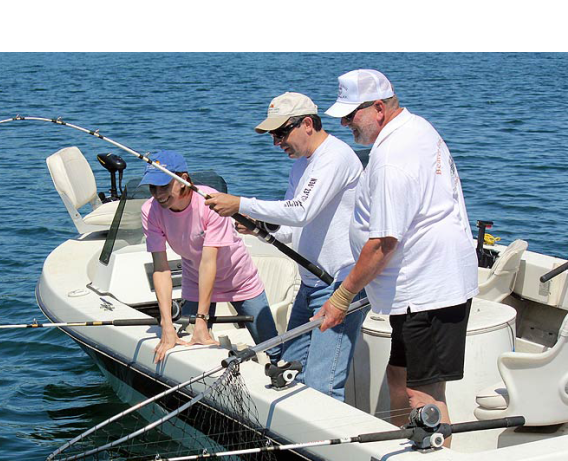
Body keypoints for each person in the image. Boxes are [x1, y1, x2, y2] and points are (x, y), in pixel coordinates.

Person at [315, 69, 478, 434]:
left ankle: (430, 460)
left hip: (429, 291)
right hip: (414, 291)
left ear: (377, 108)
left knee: (423, 395)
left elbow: (383, 243)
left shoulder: (392, 157)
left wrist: (342, 297)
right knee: (398, 377)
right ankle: (401, 449)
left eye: (349, 115)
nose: (343, 123)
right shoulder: (415, 127)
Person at [205, 92, 365, 402]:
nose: (277, 142)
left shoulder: (335, 157)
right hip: (309, 286)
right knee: (287, 372)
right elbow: (293, 228)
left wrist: (240, 203)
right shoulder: (300, 166)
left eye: (281, 132)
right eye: (273, 136)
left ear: (307, 123)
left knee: (322, 386)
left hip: (337, 285)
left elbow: (300, 210)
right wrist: (260, 227)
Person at [140, 150, 278, 364]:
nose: (158, 195)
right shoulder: (150, 210)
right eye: (153, 188)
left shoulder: (210, 202)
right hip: (195, 280)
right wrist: (166, 325)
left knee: (273, 349)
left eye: (164, 187)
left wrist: (201, 320)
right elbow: (161, 268)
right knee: (187, 347)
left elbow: (208, 262)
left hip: (239, 280)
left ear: (183, 180)